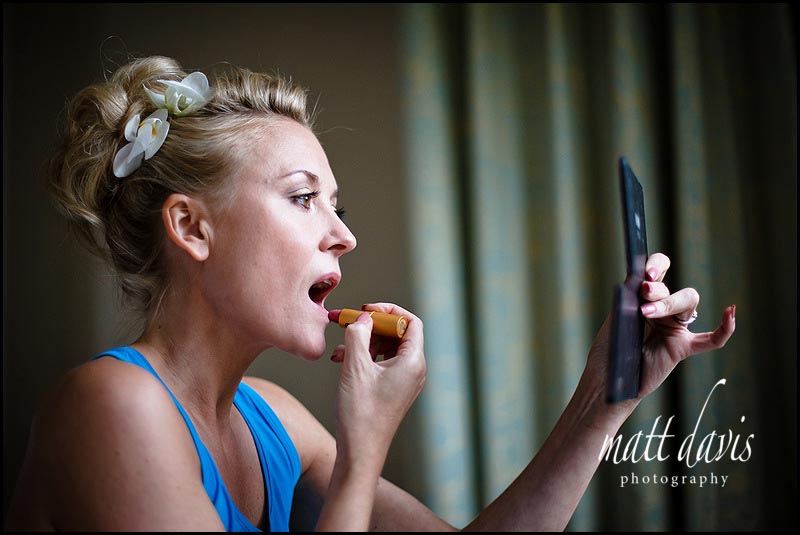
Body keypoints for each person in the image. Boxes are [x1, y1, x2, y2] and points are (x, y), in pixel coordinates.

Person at [5, 55, 736, 532]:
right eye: (301, 199)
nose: (342, 237)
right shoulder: (111, 406)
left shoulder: (277, 421)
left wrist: (602, 404)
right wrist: (364, 451)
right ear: (192, 228)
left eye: (339, 207)